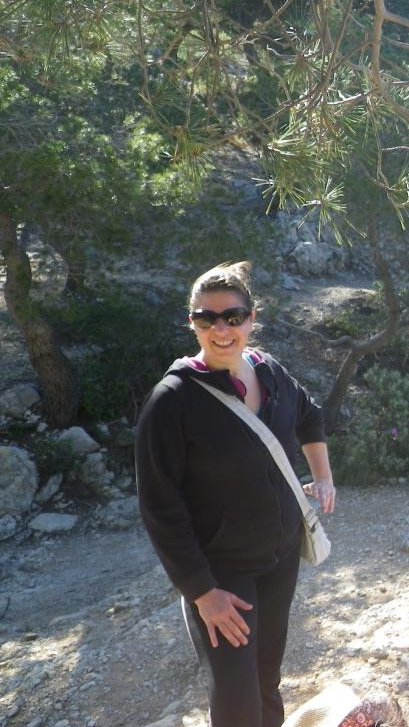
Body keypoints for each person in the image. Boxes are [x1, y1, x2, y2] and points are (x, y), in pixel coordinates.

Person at [135, 261, 336, 727]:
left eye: (233, 316)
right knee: (236, 697)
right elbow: (159, 508)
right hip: (222, 575)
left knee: (266, 680)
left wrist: (322, 475)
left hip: (280, 558)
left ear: (251, 318)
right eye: (207, 318)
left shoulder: (269, 373)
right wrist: (203, 592)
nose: (221, 329)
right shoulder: (172, 400)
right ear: (192, 323)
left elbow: (310, 416)